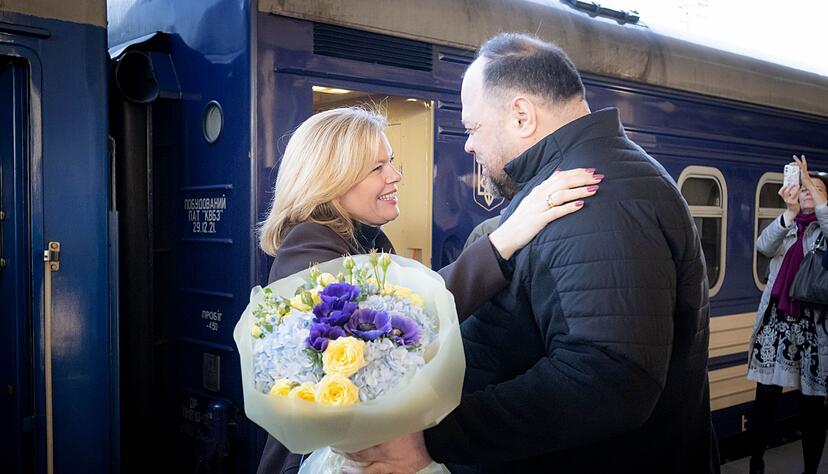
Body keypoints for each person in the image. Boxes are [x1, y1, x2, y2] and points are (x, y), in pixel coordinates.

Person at [344, 33, 718, 474]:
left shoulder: (593, 197)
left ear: (521, 115)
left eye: (473, 128)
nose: (468, 145)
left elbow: (608, 378)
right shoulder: (585, 179)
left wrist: (439, 437)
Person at [255, 106, 601, 474]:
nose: (396, 176)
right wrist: (505, 239)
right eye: (377, 168)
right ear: (331, 180)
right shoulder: (309, 247)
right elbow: (401, 321)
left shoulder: (364, 242)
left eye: (392, 162)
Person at [746, 156, 828, 474]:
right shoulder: (790, 226)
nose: (808, 192)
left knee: (811, 408)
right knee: (765, 400)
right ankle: (756, 461)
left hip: (813, 331)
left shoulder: (823, 233)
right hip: (778, 325)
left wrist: (808, 179)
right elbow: (763, 245)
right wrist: (789, 213)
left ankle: (810, 469)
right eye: (806, 188)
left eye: (816, 189)